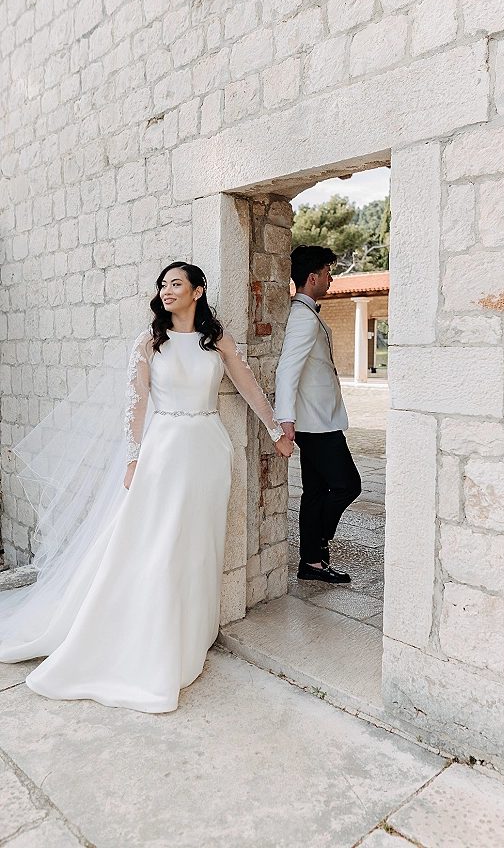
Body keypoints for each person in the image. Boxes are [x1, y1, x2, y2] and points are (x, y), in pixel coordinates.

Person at [0, 262, 293, 713]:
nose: (167, 290)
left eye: (176, 283)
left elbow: (249, 386)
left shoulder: (217, 341)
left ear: (198, 291)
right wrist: (134, 457)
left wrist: (276, 430)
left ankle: (191, 633)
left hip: (210, 450)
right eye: (163, 284)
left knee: (198, 545)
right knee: (160, 544)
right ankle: (150, 640)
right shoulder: (149, 341)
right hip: (165, 450)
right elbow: (135, 402)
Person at [275, 246, 361, 584]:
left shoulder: (307, 314)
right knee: (347, 485)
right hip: (315, 423)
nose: (331, 278)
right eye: (327, 272)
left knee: (314, 492)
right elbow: (287, 370)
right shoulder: (302, 317)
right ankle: (318, 545)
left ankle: (310, 562)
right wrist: (286, 420)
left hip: (318, 419)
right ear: (312, 277)